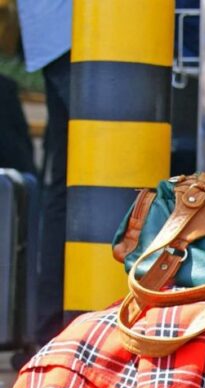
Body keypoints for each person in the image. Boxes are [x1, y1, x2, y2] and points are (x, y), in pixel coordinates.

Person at [16, 0, 72, 345]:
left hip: (63, 33)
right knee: (74, 185)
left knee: (66, 184)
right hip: (87, 32)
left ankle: (50, 330)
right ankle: (55, 331)